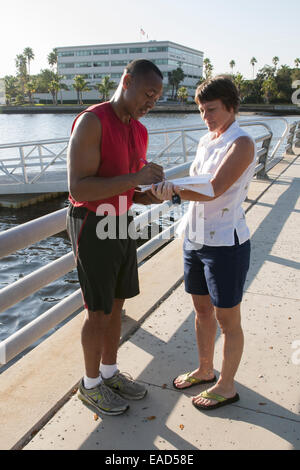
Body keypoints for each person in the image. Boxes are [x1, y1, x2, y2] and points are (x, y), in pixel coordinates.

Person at [151, 76, 256, 410]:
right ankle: (206, 369)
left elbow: (217, 187)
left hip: (225, 243)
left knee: (229, 320)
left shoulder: (242, 143)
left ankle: (227, 386)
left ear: (230, 105)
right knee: (201, 310)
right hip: (194, 238)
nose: (205, 116)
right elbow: (196, 182)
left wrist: (174, 190)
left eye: (211, 109)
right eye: (200, 110)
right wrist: (167, 189)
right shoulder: (206, 140)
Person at [66, 59, 164, 416]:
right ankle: (90, 385)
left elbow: (130, 187)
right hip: (92, 221)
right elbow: (79, 187)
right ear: (127, 81)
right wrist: (135, 180)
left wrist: (150, 194)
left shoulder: (139, 130)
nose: (151, 102)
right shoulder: (93, 121)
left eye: (156, 98)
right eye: (148, 93)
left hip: (122, 219)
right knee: (98, 310)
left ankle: (109, 373)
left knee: (119, 304)